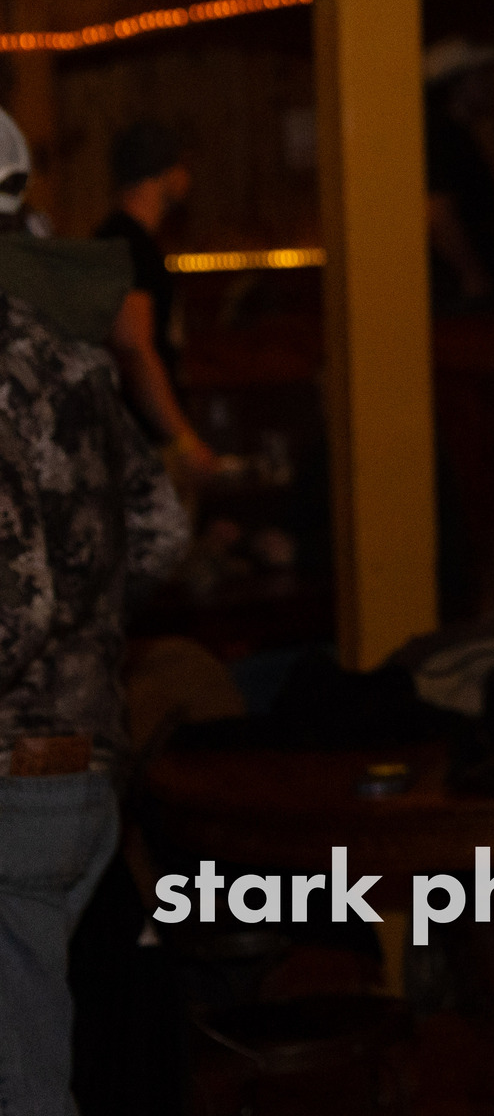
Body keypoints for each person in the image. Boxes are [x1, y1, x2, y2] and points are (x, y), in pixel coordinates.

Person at [0, 153, 188, 1116]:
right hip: (83, 768)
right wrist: (88, 626)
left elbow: (15, 604)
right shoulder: (66, 351)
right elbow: (160, 530)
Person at [93, 120, 212, 477]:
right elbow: (134, 349)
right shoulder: (126, 245)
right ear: (162, 172)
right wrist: (182, 440)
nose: (187, 177)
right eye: (181, 165)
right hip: (139, 449)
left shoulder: (130, 242)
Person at [423, 37, 494, 309]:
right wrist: (472, 275)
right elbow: (438, 212)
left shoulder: (457, 135)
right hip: (457, 293)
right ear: (456, 84)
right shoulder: (442, 135)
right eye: (480, 76)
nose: (490, 85)